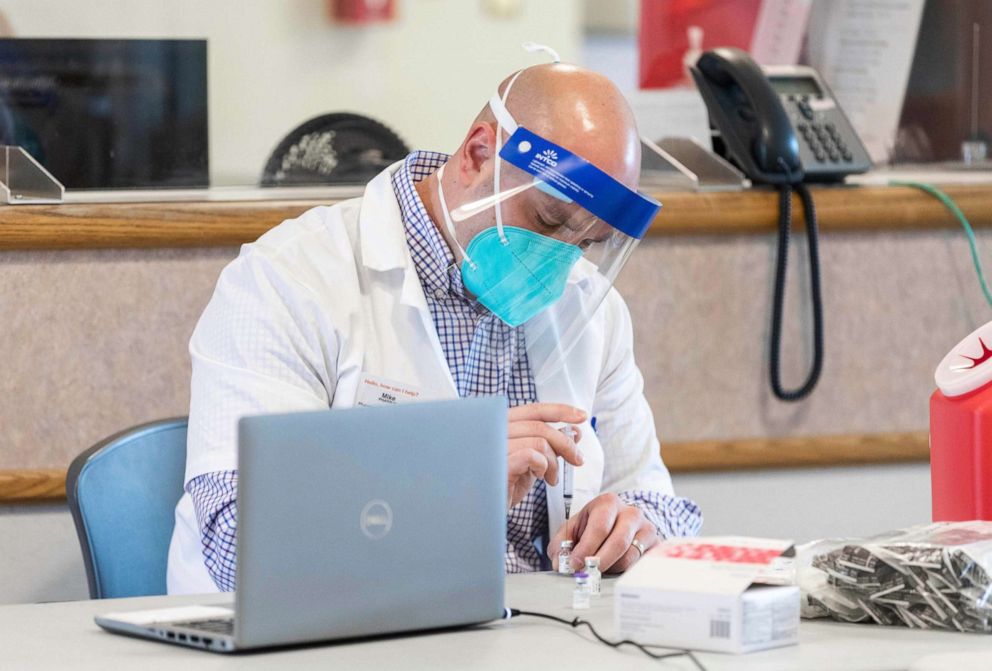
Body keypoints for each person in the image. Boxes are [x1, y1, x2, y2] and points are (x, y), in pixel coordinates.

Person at [167, 55, 702, 595]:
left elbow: (662, 505)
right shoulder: (285, 281)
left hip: (531, 634)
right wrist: (446, 482)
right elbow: (237, 542)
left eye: (586, 242)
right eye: (546, 219)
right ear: (477, 154)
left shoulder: (593, 311)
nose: (560, 259)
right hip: (340, 637)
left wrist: (635, 531)